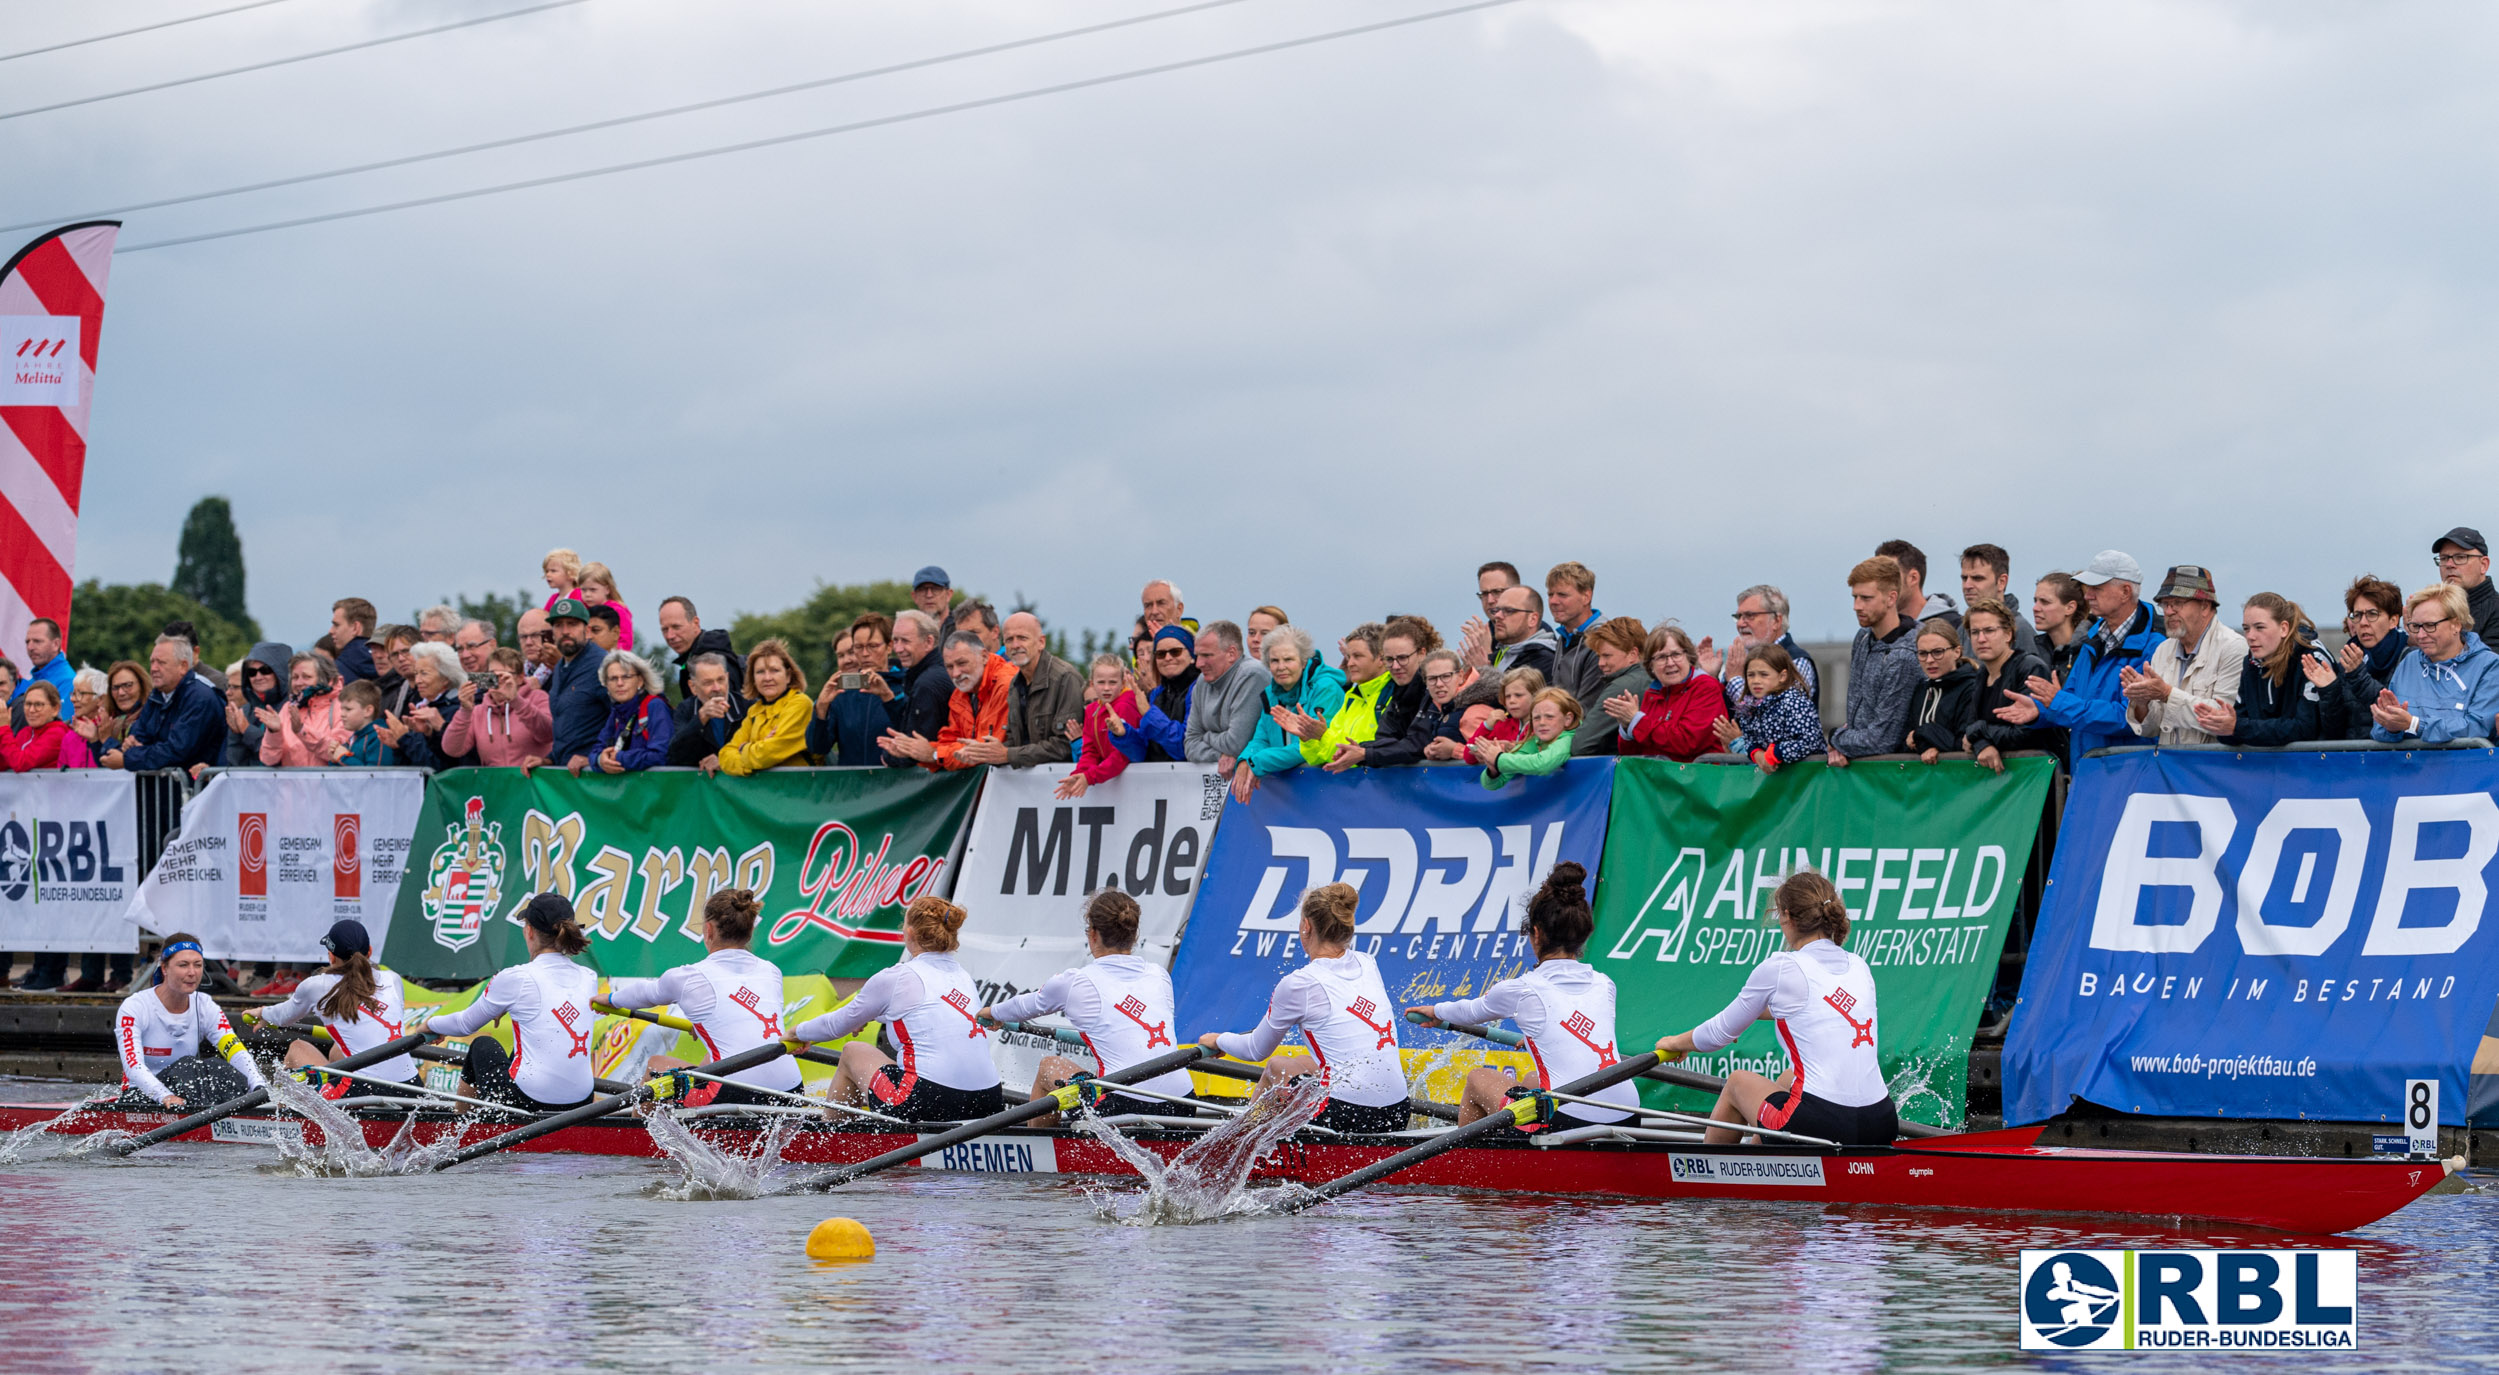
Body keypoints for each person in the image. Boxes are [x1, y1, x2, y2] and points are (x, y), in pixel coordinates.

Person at [1653, 870, 1899, 1147]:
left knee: (1736, 1082)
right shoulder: (1859, 966)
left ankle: (1708, 1179)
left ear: (1786, 916)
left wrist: (1674, 1043)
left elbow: (1717, 1034)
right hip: (1881, 1121)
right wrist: (1744, 1017)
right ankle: (1760, 1168)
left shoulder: (1782, 967)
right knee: (1787, 1078)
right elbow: (1814, 1010)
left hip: (1821, 1126)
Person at [1405, 862, 1636, 1130]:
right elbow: (1569, 1030)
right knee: (1529, 1080)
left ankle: (1470, 1166)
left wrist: (1437, 1012)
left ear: (1535, 933)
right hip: (1628, 1112)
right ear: (1584, 934)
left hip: (1566, 1120)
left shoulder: (1522, 989)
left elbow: (1470, 1012)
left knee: (1477, 1079)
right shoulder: (1605, 984)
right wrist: (1532, 1038)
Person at [1196, 883, 1408, 1134]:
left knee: (1276, 1066)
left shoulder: (1300, 983)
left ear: (1305, 926)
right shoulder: (1368, 962)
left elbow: (1255, 1049)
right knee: (1306, 1061)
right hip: (1398, 1111)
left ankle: (1242, 1144)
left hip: (1349, 1116)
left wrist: (1219, 1040)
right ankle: (1258, 1138)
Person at [979, 888, 1193, 1125]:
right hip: (1185, 1102)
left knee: (1048, 1066)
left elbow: (1025, 1006)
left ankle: (1043, 1152)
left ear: (1092, 933)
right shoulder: (1159, 975)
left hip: (1124, 1105)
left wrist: (991, 1012)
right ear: (1134, 935)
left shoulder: (1076, 981)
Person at [792, 896, 1005, 1122]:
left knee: (852, 1051)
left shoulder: (898, 976)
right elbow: (921, 1010)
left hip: (928, 1103)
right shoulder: (964, 977)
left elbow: (835, 1026)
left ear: (910, 933)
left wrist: (795, 1033)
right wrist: (868, 1015)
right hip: (989, 1102)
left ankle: (831, 1145)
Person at [603, 889, 806, 1107]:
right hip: (791, 1090)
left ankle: (639, 1139)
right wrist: (702, 1027)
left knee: (655, 1066)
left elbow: (644, 994)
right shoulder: (772, 971)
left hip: (734, 1091)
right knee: (711, 1061)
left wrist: (609, 999)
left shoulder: (688, 977)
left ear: (708, 930)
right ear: (749, 932)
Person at [425, 893, 602, 1111]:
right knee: (520, 1052)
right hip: (581, 1102)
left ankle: (460, 1128)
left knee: (482, 1045)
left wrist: (429, 1025)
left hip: (527, 1101)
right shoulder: (589, 977)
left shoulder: (517, 978)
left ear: (529, 931)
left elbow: (464, 1024)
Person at [1999, 550, 2163, 766]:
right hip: (2088, 770)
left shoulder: (2155, 646)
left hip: (2128, 775)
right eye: (2088, 588)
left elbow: (2130, 717)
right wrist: (2041, 710)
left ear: (2125, 592)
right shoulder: (2092, 640)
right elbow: (2071, 698)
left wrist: (2057, 703)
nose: (2087, 596)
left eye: (2097, 588)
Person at [248, 919, 421, 1097]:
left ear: (331, 956)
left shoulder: (316, 986)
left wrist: (262, 1013)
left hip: (361, 1091)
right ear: (369, 951)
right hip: (412, 1088)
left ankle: (283, 1113)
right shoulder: (392, 979)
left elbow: (282, 1016)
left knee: (297, 1048)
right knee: (337, 1051)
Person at [110, 935, 267, 1110]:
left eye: (198, 965)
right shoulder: (134, 1007)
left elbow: (236, 1052)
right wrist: (164, 1095)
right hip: (144, 1096)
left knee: (219, 1068)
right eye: (183, 965)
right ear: (164, 968)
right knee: (189, 1067)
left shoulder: (206, 1006)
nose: (192, 972)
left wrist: (258, 1086)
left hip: (188, 1092)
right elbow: (133, 1066)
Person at [2124, 565, 2245, 748]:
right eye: (2165, 604)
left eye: (2177, 603)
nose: (2168, 611)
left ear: (2205, 606)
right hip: (2171, 769)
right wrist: (2143, 701)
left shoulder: (2233, 647)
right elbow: (2152, 730)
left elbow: (2223, 719)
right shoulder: (2163, 649)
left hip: (2215, 769)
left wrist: (2166, 693)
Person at [2371, 583, 2499, 744]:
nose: (2421, 635)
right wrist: (2390, 726)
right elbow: (2379, 734)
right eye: (2416, 626)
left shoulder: (2489, 666)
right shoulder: (2408, 662)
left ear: (2456, 624)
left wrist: (2415, 725)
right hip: (2411, 768)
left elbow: (2477, 728)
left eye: (2430, 626)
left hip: (2466, 768)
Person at [1231, 624, 1346, 803]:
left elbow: (1312, 746)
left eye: (1288, 659)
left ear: (1303, 661)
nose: (1281, 667)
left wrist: (1257, 762)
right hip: (1287, 795)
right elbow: (1261, 739)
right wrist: (1246, 760)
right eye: (1274, 661)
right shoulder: (1271, 693)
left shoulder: (1326, 689)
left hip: (1326, 789)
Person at [2198, 594, 2329, 747]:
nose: (2250, 636)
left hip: (2315, 764)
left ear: (2284, 629)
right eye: (2246, 629)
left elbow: (2305, 729)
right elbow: (2241, 723)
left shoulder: (2312, 658)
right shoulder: (2251, 662)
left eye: (2259, 627)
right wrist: (2223, 727)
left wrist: (2237, 728)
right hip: (2269, 766)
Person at [1828, 556, 1920, 766]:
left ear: (1891, 598)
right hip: (1860, 770)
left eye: (1866, 598)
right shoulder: (1862, 638)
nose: (1856, 606)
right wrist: (1843, 743)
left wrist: (1836, 737)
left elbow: (1882, 740)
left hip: (1892, 774)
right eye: (1855, 597)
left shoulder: (1904, 656)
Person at [883, 633, 1013, 770]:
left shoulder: (1004, 686)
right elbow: (951, 742)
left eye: (962, 663)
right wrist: (915, 751)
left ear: (984, 656)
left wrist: (933, 754)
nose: (956, 673)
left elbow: (985, 753)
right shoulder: (961, 693)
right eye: (949, 667)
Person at [1333, 648, 1474, 770]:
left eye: (1445, 677)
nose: (1439, 684)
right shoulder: (1434, 704)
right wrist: (1362, 749)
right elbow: (1412, 743)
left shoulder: (1475, 707)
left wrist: (1454, 751)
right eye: (1432, 679)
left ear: (1460, 675)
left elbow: (1490, 755)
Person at [101, 636, 226, 772]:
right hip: (161, 789)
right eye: (152, 662)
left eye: (161, 662)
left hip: (192, 790)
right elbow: (137, 737)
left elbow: (176, 750)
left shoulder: (200, 698)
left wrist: (129, 759)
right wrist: (130, 746)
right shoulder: (156, 697)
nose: (153, 668)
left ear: (183, 666)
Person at [1962, 599, 2060, 773]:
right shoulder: (1982, 674)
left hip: (2037, 776)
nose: (1981, 639)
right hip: (2004, 780)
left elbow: (2025, 733)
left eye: (1989, 631)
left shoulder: (2030, 667)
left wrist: (1980, 731)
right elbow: (1969, 728)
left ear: (2008, 634)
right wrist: (1983, 744)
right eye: (1975, 632)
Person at [2308, 575, 2406, 740]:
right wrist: (2330, 691)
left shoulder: (2408, 657)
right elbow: (2334, 732)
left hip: (2395, 760)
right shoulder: (2348, 661)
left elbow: (2395, 712)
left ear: (2393, 620)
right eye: (2357, 615)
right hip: (2354, 761)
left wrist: (2358, 676)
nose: (2363, 622)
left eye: (2372, 614)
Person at [1610, 624, 1728, 761]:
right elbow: (1633, 754)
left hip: (1697, 777)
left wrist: (1637, 721)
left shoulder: (1706, 688)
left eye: (1676, 654)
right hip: (1658, 776)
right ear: (1651, 666)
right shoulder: (1652, 693)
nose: (1670, 663)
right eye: (1661, 657)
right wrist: (1626, 725)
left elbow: (1686, 742)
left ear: (1689, 658)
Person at [705, 638, 815, 776]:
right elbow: (725, 755)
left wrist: (744, 748)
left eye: (774, 670)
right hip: (766, 792)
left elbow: (769, 754)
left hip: (799, 790)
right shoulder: (754, 711)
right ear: (753, 678)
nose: (767, 678)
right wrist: (759, 752)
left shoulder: (800, 704)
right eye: (760, 672)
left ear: (788, 676)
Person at [1712, 642, 1826, 772]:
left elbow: (1810, 741)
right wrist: (1756, 753)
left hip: (1807, 779)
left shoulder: (1794, 702)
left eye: (1763, 674)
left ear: (1782, 676)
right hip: (1778, 781)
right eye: (1751, 675)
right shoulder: (1749, 707)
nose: (1756, 680)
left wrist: (1775, 754)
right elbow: (1749, 739)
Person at [810, 614, 900, 766]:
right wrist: (821, 709)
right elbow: (818, 747)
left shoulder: (907, 685)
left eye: (873, 646)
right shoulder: (842, 692)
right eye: (858, 648)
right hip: (854, 787)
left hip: (902, 786)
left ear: (889, 646)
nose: (865, 654)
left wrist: (888, 697)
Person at [1000, 611, 1084, 767]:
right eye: (1009, 640)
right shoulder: (1014, 685)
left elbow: (1065, 746)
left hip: (1063, 785)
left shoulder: (1065, 678)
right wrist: (988, 752)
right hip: (1027, 785)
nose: (1015, 645)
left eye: (1022, 638)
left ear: (1041, 642)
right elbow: (1016, 740)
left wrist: (1008, 755)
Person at [1183, 620, 1269, 771]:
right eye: (1197, 655)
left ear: (1231, 654)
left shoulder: (1252, 675)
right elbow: (1190, 744)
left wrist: (1206, 736)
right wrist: (1219, 756)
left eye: (1206, 655)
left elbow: (1235, 744)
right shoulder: (1202, 681)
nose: (1198, 664)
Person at [1303, 623, 1393, 768]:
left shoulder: (1394, 695)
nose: (1350, 663)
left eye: (1357, 656)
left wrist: (1323, 737)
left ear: (1381, 658)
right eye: (1348, 657)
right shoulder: (1352, 697)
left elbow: (1361, 755)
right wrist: (1309, 738)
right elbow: (1318, 759)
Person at [445, 648, 552, 767]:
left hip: (532, 782)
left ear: (520, 678)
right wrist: (465, 711)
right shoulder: (479, 711)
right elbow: (452, 749)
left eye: (504, 676)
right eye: (492, 676)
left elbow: (548, 734)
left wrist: (516, 700)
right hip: (496, 783)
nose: (497, 682)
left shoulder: (538, 697)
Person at [535, 598, 609, 769]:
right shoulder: (561, 665)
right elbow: (568, 727)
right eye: (559, 625)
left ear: (588, 631)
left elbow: (624, 718)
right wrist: (549, 759)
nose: (565, 631)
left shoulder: (603, 665)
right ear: (552, 633)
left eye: (572, 624)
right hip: (569, 776)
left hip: (598, 778)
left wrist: (594, 758)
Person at [1059, 655, 1145, 797]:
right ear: (1092, 684)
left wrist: (1090, 777)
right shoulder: (1092, 710)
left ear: (1122, 683)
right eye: (1101, 682)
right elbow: (1090, 750)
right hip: (1110, 779)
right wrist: (1079, 775)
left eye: (1112, 682)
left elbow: (1122, 756)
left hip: (1134, 784)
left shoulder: (1125, 706)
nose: (1106, 688)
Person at [575, 650, 672, 775]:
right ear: (607, 685)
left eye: (626, 677)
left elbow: (662, 755)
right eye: (613, 678)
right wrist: (600, 761)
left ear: (640, 681)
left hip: (655, 791)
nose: (619, 683)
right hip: (627, 792)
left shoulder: (654, 706)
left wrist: (620, 758)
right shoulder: (616, 711)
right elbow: (596, 750)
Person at [1571, 617, 1649, 757]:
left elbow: (1580, 745)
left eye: (1607, 656)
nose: (1600, 663)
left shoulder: (1622, 687)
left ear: (1633, 654)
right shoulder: (1655, 679)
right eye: (1599, 656)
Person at [387, 640, 472, 768]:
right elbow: (410, 766)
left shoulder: (455, 712)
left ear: (445, 678)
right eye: (416, 674)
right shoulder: (419, 707)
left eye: (424, 674)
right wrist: (398, 745)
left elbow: (438, 766)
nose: (417, 681)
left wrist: (405, 739)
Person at [1905, 619, 1980, 762]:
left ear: (1957, 652)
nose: (1929, 660)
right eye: (1922, 654)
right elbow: (1907, 740)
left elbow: (1963, 743)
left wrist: (1922, 733)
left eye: (1937, 652)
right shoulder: (1921, 689)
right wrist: (1925, 744)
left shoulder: (1971, 688)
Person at [1478, 687, 1579, 789]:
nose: (1542, 723)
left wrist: (1499, 758)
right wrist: (1494, 771)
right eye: (1536, 718)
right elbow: (1492, 785)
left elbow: (1543, 764)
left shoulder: (1567, 739)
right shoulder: (1534, 741)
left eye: (1549, 717)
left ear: (1567, 719)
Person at [258, 651, 347, 766]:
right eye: (295, 677)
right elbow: (268, 760)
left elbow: (339, 753)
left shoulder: (341, 705)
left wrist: (302, 731)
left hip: (327, 783)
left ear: (324, 679)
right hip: (290, 783)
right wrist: (274, 733)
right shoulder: (288, 708)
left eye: (306, 677)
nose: (299, 683)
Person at [1129, 624, 1199, 761]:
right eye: (1161, 654)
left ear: (1191, 656)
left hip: (1190, 780)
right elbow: (1142, 753)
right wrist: (1122, 735)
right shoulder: (1156, 694)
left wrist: (1150, 715)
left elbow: (1185, 747)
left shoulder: (1199, 689)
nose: (1168, 658)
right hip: (1159, 779)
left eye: (1175, 651)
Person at [1958, 544, 2039, 655]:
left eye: (1977, 578)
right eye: (1964, 578)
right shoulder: (1962, 630)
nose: (1967, 585)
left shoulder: (2020, 629)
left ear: (2002, 582)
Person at [1544, 562, 1606, 705]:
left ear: (1586, 596)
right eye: (1550, 594)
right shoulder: (1564, 638)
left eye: (1562, 595)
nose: (1553, 601)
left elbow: (1587, 705)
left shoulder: (1602, 640)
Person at [658, 595, 743, 700]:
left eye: (676, 627)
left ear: (695, 623)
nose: (670, 636)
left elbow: (726, 712)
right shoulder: (690, 660)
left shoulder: (714, 660)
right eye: (665, 629)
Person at [2432, 527, 2499, 651]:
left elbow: (2490, 665)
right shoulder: (2433, 609)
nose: (2449, 564)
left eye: (2460, 557)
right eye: (2444, 558)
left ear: (2484, 565)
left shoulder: (2495, 610)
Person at [1473, 586, 1558, 680]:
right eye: (1496, 610)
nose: (1497, 616)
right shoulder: (1504, 654)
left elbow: (1510, 693)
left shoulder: (1544, 660)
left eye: (1508, 610)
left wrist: (1483, 673)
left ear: (1532, 619)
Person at [1, 682, 89, 770]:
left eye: (38, 705)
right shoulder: (24, 733)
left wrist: (4, 729)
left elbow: (21, 763)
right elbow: (5, 763)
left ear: (55, 709)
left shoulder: (57, 733)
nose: (31, 710)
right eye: (28, 704)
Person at [1877, 539, 1959, 631]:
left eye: (1888, 575)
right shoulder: (1871, 632)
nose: (1879, 584)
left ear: (1913, 578)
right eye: (1876, 576)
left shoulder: (1955, 626)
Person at [74, 660, 146, 758]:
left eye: (128, 685)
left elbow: (128, 763)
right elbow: (106, 767)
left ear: (142, 686)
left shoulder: (150, 718)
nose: (121, 692)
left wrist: (107, 739)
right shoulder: (116, 723)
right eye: (115, 687)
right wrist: (95, 740)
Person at [2031, 572, 2089, 682]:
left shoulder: (2089, 652)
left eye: (2045, 602)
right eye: (2035, 601)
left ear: (2070, 608)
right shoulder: (2035, 651)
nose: (2035, 608)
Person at [574, 562, 634, 650]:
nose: (587, 594)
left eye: (592, 590)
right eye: (583, 590)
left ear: (607, 589)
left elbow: (625, 640)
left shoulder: (617, 611)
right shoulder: (581, 609)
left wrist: (613, 657)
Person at [15, 617, 74, 705]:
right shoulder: (31, 680)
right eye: (27, 642)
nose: (30, 647)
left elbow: (63, 719)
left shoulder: (68, 682)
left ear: (56, 644)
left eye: (37, 641)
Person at [330, 682, 389, 765]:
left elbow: (375, 775)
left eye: (348, 709)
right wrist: (334, 759)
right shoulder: (354, 738)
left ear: (368, 711)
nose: (342, 714)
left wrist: (343, 757)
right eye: (342, 709)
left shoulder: (380, 737)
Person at [329, 598, 378, 683]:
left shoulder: (336, 673)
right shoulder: (392, 668)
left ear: (355, 627)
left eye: (336, 625)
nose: (331, 631)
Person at [911, 566, 959, 643]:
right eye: (922, 589)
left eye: (936, 589)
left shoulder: (960, 628)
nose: (929, 595)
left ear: (948, 595)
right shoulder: (908, 631)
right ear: (914, 597)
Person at [517, 607, 558, 688]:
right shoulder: (515, 674)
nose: (528, 642)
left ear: (552, 636)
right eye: (523, 637)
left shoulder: (566, 671)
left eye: (535, 635)